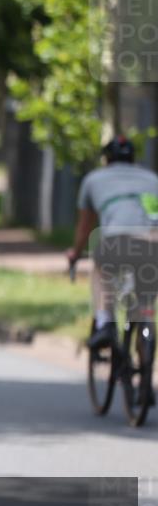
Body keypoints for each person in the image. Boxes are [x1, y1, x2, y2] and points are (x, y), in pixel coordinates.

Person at [65, 136, 158, 348]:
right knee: (145, 297)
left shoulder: (93, 179)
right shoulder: (152, 179)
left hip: (116, 241)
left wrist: (75, 253)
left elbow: (84, 227)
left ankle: (104, 321)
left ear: (106, 159)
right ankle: (145, 329)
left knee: (101, 270)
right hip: (152, 245)